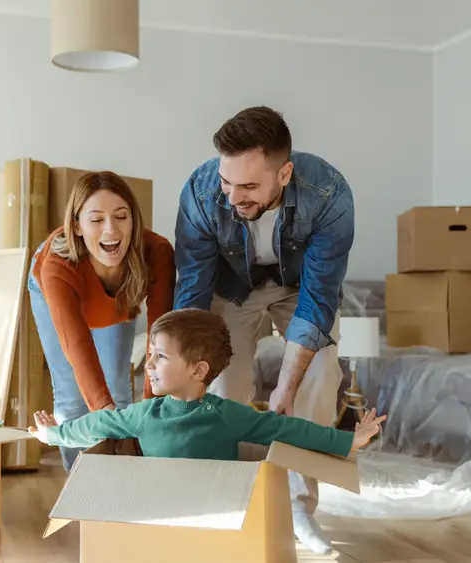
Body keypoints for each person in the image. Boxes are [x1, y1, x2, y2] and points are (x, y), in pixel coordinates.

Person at [172, 106, 355, 554]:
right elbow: (192, 290)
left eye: (250, 186)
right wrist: (180, 368)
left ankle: (298, 508)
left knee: (318, 375)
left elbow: (319, 296)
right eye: (227, 182)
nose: (234, 197)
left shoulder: (328, 192)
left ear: (285, 173)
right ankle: (227, 499)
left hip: (300, 288)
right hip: (231, 290)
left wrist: (286, 388)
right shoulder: (200, 191)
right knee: (218, 383)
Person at [28, 308, 383, 467]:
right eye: (150, 355)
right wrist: (54, 435)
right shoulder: (145, 414)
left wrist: (347, 440)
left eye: (160, 357)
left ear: (198, 370)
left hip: (217, 512)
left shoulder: (228, 415)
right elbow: (98, 424)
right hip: (159, 514)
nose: (148, 365)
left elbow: (286, 429)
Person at [28, 170, 175, 471]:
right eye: (96, 220)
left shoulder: (157, 252)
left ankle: (119, 479)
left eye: (121, 216)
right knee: (72, 398)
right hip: (54, 290)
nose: (111, 229)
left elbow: (159, 338)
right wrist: (107, 420)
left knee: (118, 389)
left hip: (115, 302)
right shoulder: (57, 267)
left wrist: (150, 409)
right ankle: (81, 485)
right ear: (76, 226)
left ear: (133, 220)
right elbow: (78, 347)